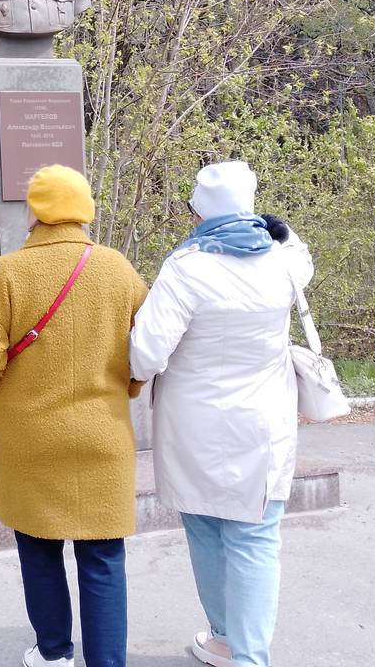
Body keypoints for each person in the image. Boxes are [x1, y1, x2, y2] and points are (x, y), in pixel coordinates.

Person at [129, 161, 313, 667]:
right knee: (255, 535)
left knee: (207, 527)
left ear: (198, 210)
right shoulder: (282, 262)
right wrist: (279, 226)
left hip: (196, 426)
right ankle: (248, 656)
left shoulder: (187, 268)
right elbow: (301, 253)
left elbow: (145, 354)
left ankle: (227, 640)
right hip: (263, 422)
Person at [0, 165, 148, 667]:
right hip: (102, 436)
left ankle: (54, 654)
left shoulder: (7, 272)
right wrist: (127, 387)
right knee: (104, 557)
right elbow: (145, 348)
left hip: (28, 440)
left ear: (36, 212)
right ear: (83, 210)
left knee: (39, 548)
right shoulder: (118, 269)